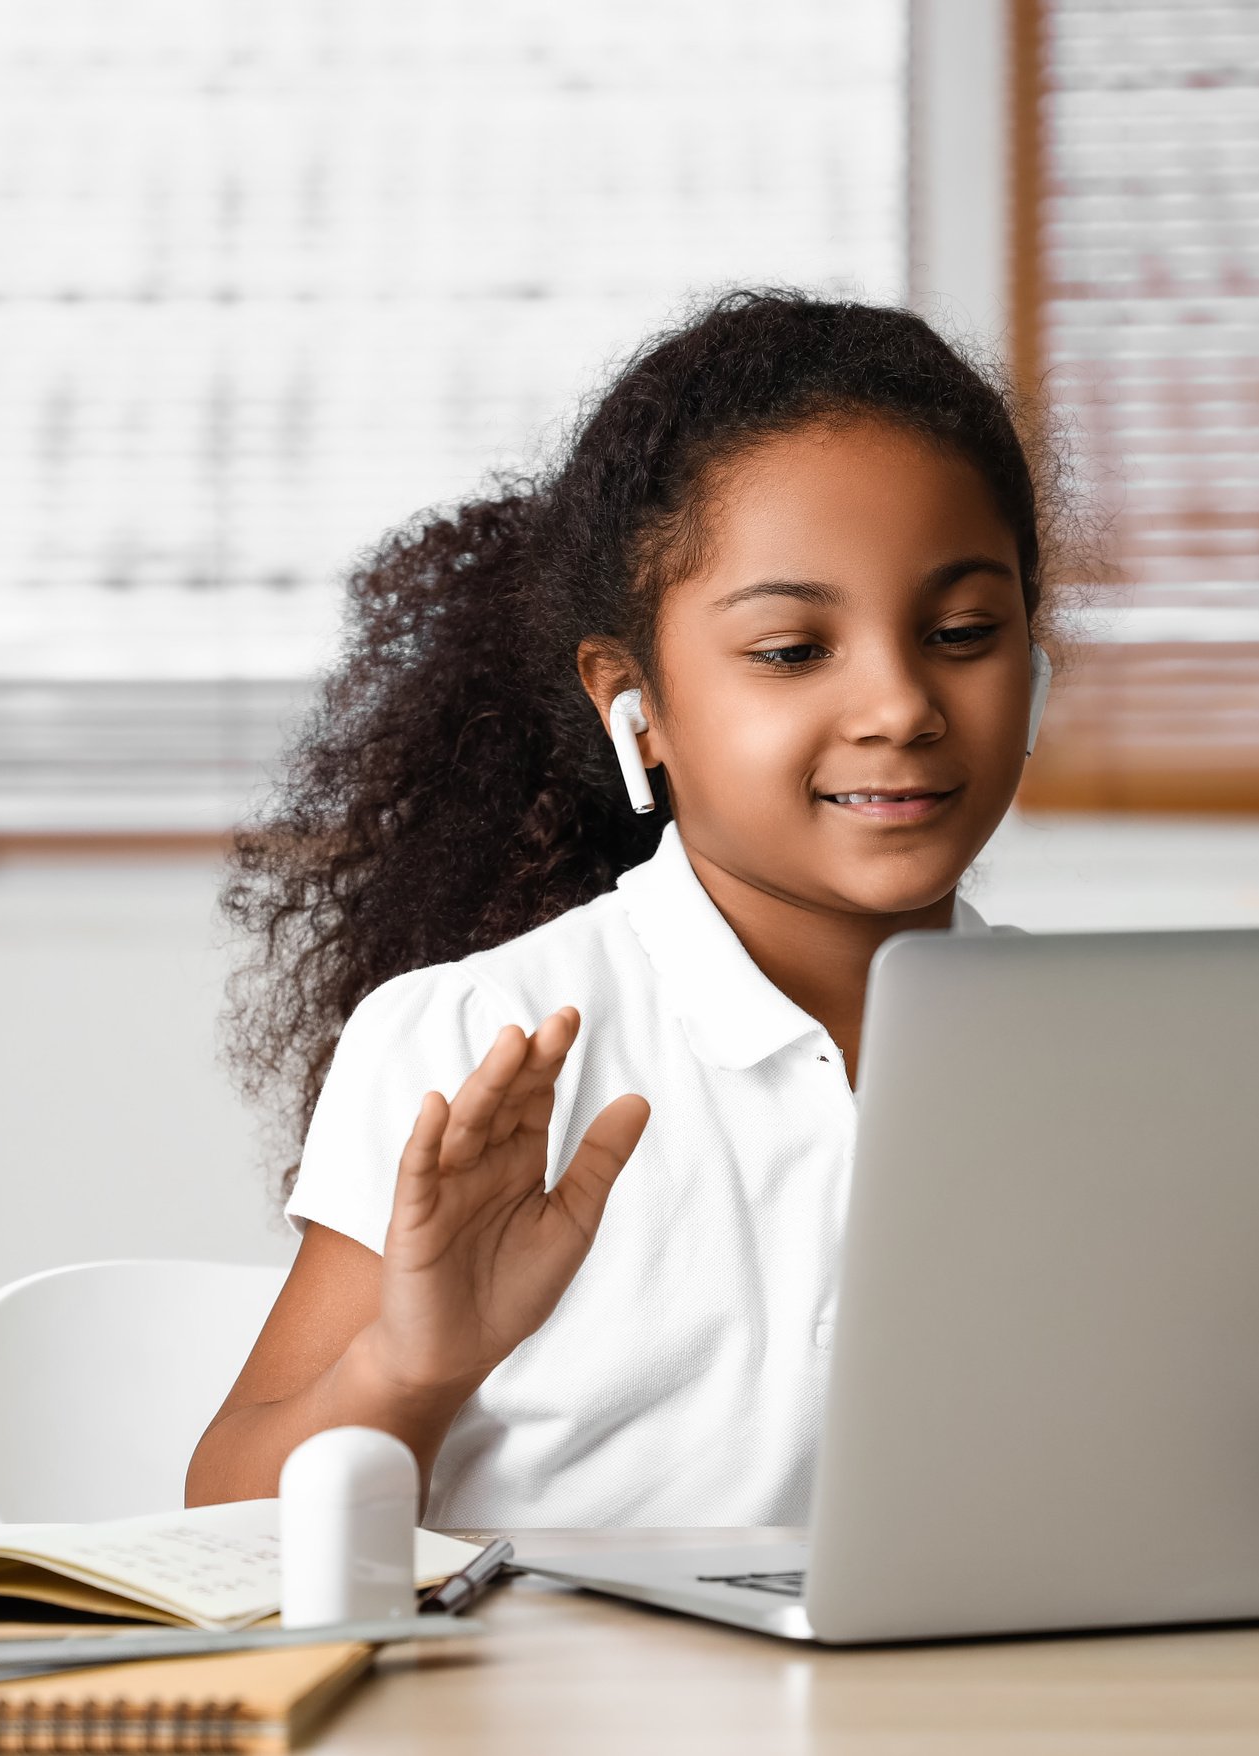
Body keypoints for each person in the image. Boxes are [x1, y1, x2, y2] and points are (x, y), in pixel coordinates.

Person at [187, 290, 1055, 1526]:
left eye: (965, 630)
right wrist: (417, 1362)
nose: (902, 704)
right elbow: (224, 1518)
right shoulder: (477, 1037)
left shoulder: (1101, 1055)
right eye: (794, 651)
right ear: (634, 702)